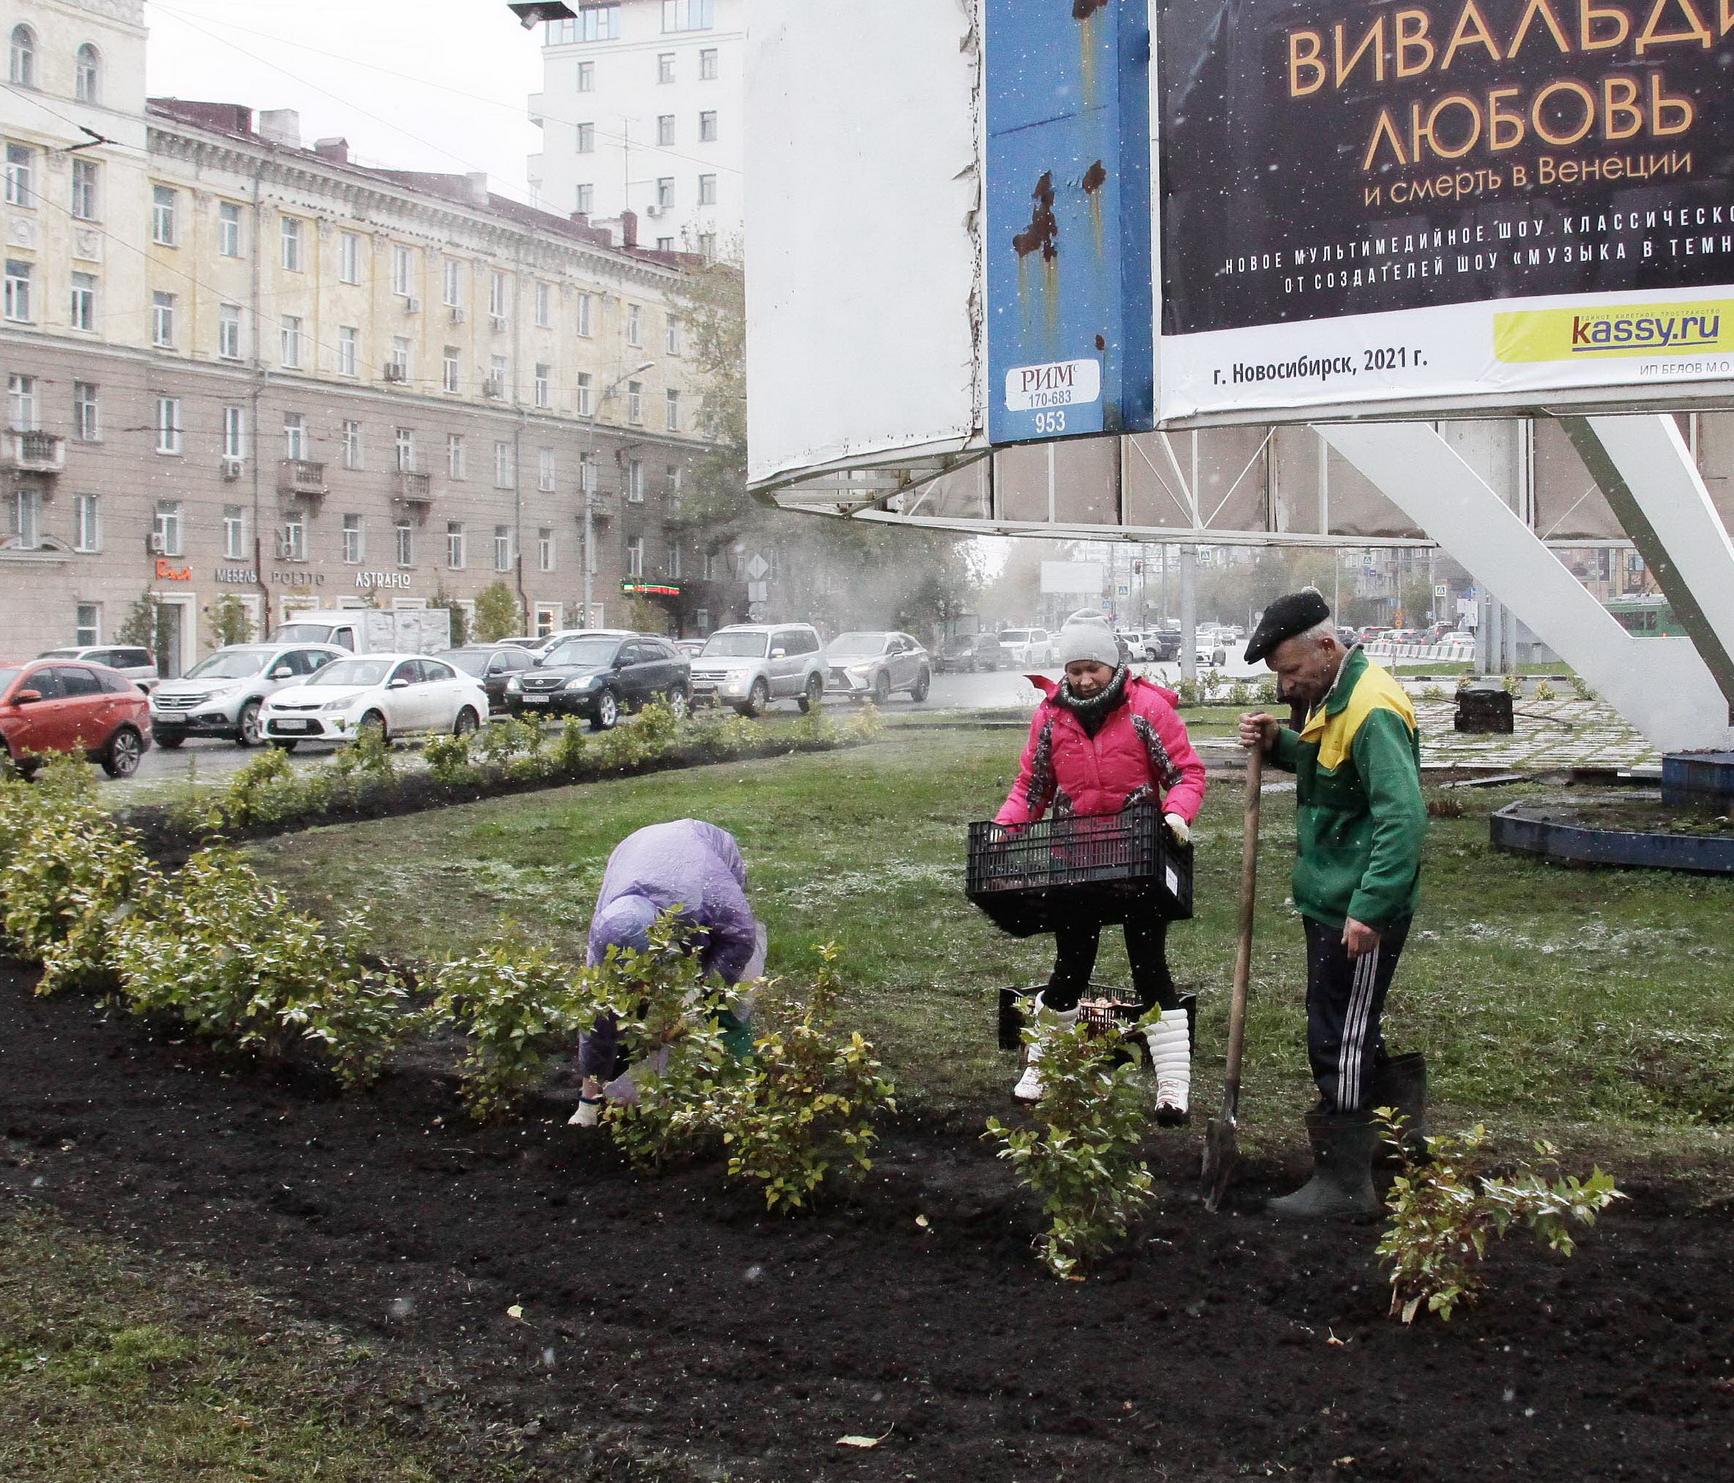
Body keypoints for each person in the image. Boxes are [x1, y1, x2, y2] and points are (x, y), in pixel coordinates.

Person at [1237, 591, 1429, 1218]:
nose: (1287, 685)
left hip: (1357, 907)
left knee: (1338, 1038)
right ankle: (1397, 1148)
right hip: (1331, 898)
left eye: (1291, 672)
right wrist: (1279, 742)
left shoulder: (1372, 709)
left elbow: (1403, 819)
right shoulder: (1335, 699)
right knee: (1351, 1026)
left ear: (1326, 647)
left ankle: (1345, 1185)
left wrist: (1370, 909)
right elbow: (1330, 772)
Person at [994, 620, 1207, 1120]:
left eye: (1092, 668)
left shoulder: (1146, 710)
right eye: (1074, 669)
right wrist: (1006, 831)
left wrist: (1177, 810)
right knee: (1071, 966)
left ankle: (1173, 1087)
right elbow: (1033, 787)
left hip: (1138, 863)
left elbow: (1185, 771)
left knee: (1149, 968)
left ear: (1112, 665)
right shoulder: (1050, 719)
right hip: (1076, 861)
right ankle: (1044, 1068)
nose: (1084, 679)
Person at [571, 819, 765, 1127]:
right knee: (620, 1010)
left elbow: (738, 937)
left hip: (700, 851)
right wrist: (587, 1102)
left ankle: (740, 1088)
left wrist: (701, 997)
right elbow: (597, 1017)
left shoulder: (706, 891)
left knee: (724, 1002)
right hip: (632, 853)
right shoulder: (608, 931)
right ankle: (623, 1075)